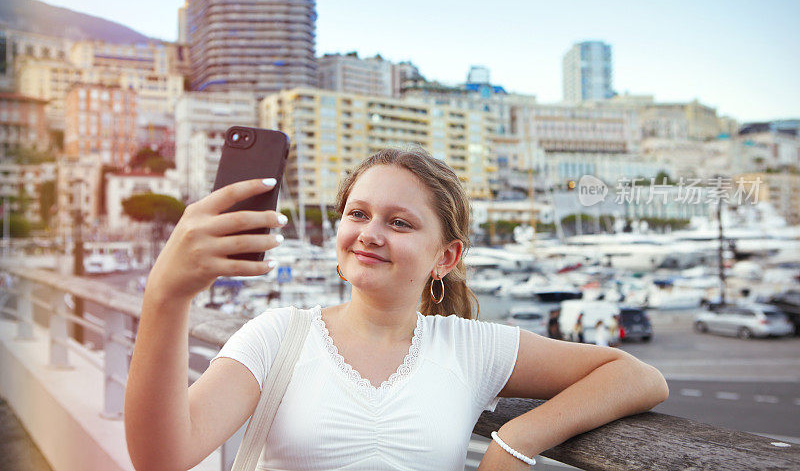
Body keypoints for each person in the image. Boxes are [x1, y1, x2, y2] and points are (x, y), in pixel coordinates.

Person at [124, 147, 669, 471]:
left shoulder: (469, 347)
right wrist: (166, 295)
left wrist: (515, 442)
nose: (369, 234)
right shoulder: (277, 336)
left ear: (446, 256)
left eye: (399, 222)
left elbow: (636, 376)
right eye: (357, 214)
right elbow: (162, 458)